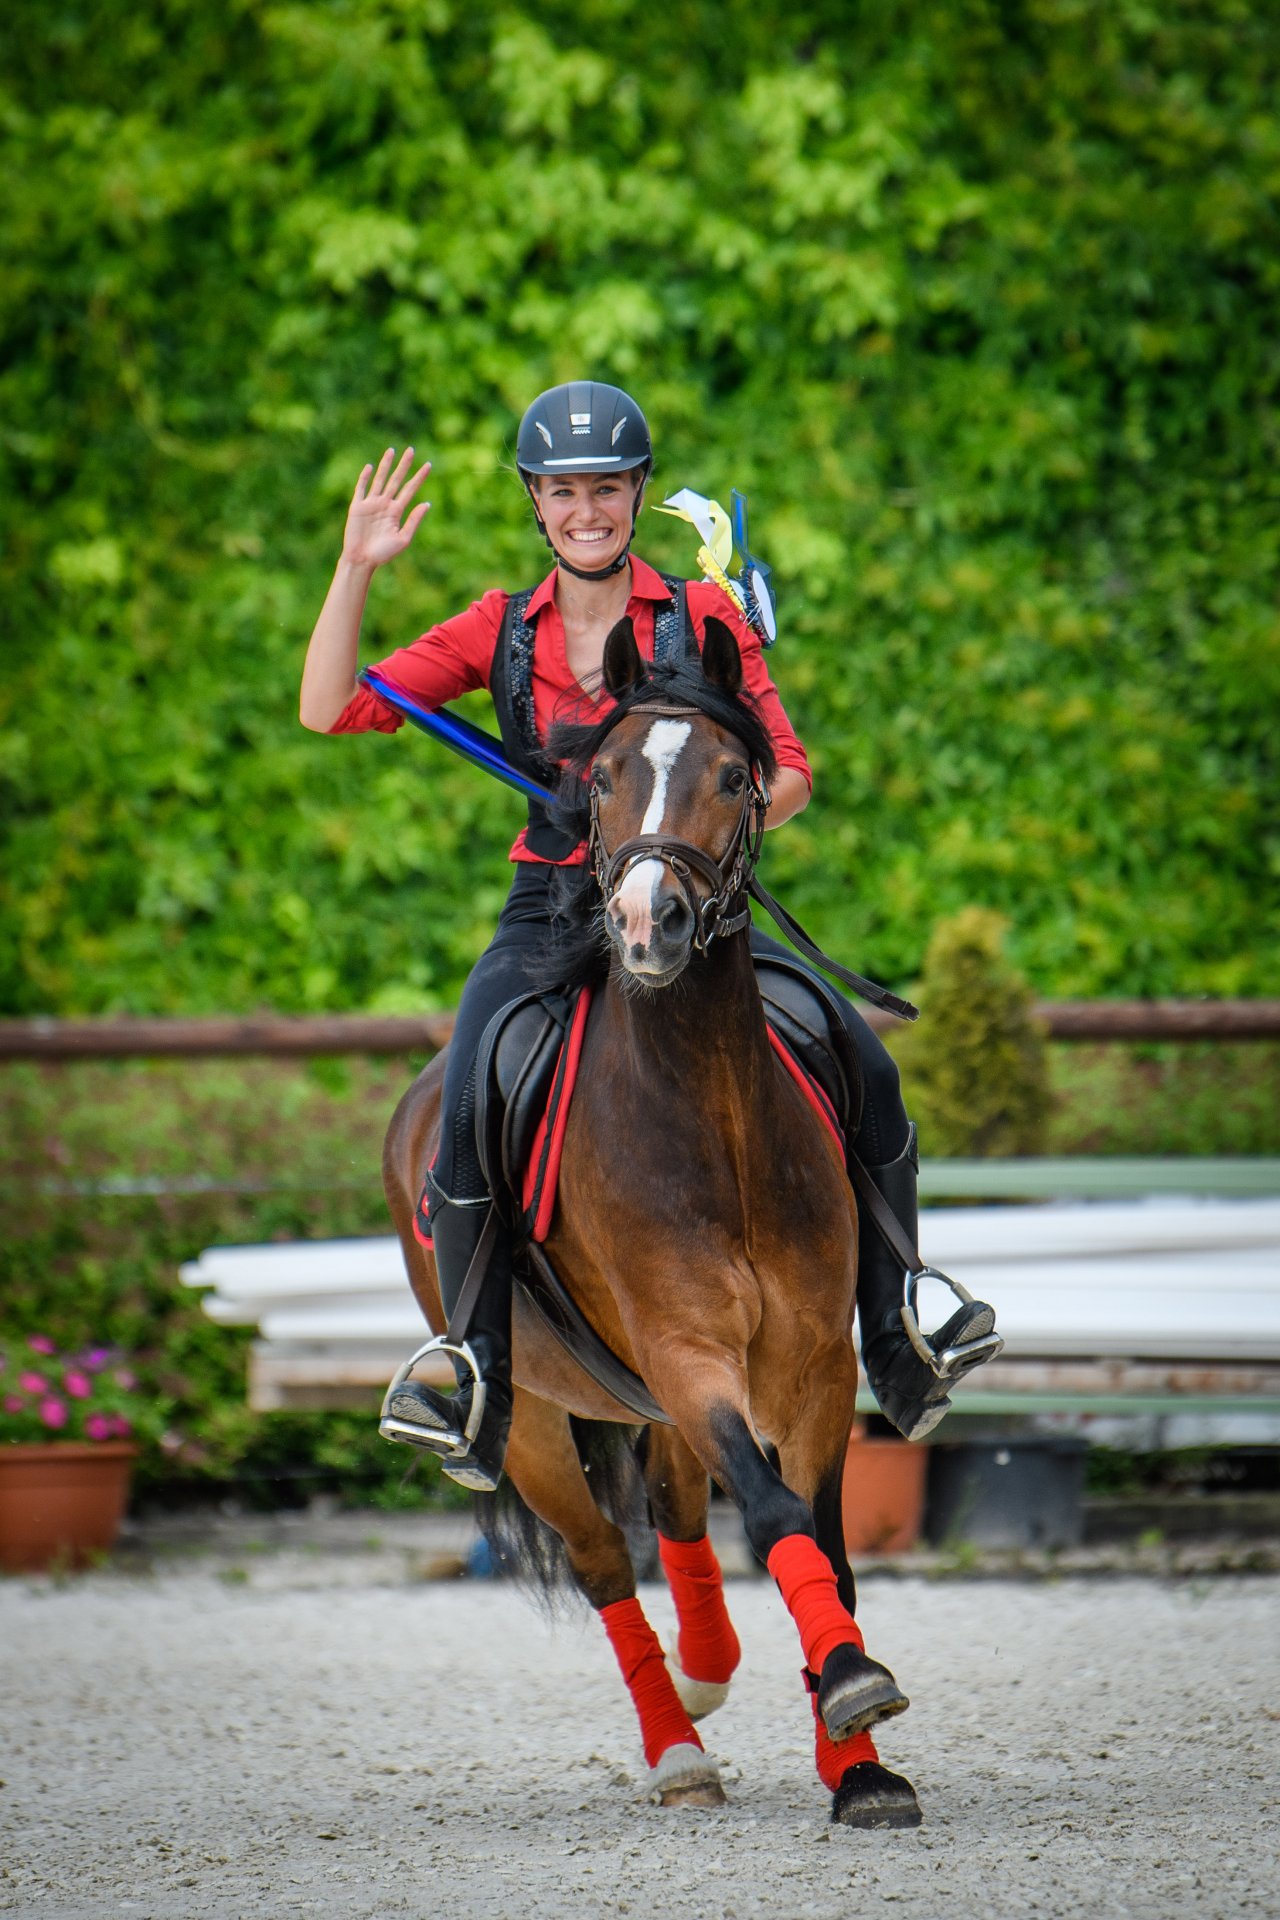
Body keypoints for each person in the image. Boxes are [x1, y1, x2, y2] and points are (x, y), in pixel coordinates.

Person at [300, 380, 1000, 1492]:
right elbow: (326, 704)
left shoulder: (701, 616)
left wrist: (698, 817)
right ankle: (472, 1369)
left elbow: (789, 767)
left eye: (607, 488)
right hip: (552, 904)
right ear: (537, 503)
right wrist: (357, 567)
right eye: (563, 491)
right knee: (472, 1088)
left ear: (635, 494)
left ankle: (899, 1321)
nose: (587, 509)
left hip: (689, 901)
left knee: (855, 1055)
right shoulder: (494, 625)